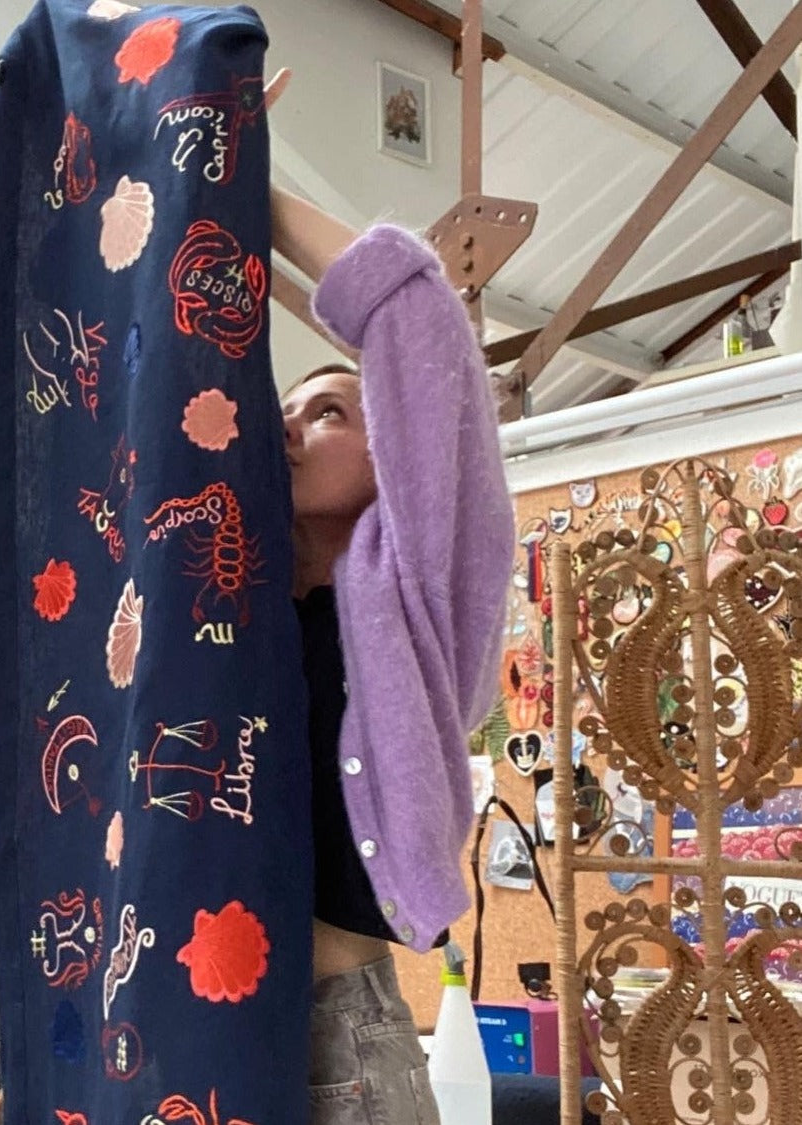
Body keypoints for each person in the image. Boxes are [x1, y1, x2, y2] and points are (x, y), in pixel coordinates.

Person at [271, 178, 515, 1125]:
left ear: (397, 454)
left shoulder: (415, 592)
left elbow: (419, 320)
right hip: (206, 1020)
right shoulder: (235, 608)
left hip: (338, 1040)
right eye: (287, 410)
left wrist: (246, 182)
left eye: (330, 412)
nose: (292, 426)